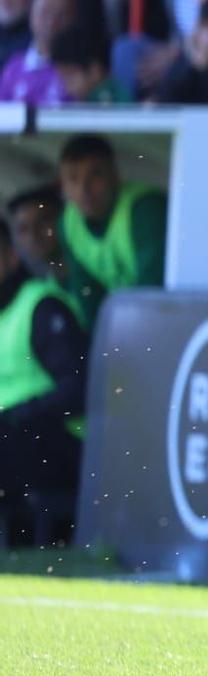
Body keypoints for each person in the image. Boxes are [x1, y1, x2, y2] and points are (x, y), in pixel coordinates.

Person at [0, 217, 88, 548]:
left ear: (12, 257)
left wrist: (16, 416)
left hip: (57, 444)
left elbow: (77, 389)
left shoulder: (41, 306)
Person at [56, 132, 167, 328]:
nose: (84, 189)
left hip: (163, 319)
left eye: (95, 175)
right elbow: (88, 296)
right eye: (73, 179)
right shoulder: (68, 223)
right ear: (62, 186)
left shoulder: (145, 209)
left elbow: (154, 291)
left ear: (115, 175)